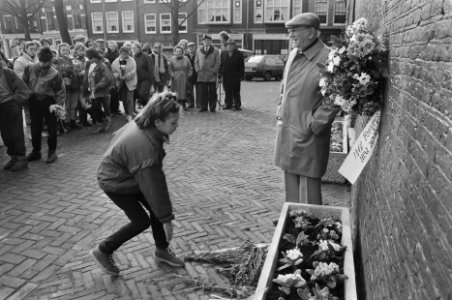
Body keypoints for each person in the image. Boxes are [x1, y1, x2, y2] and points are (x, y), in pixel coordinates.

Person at [90, 92, 184, 276]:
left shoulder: (145, 123)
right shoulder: (146, 148)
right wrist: (167, 220)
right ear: (158, 122)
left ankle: (162, 250)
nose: (177, 126)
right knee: (141, 220)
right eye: (173, 123)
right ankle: (103, 250)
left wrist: (163, 214)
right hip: (115, 181)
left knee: (155, 208)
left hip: (126, 174)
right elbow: (155, 186)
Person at [274, 13, 341, 205]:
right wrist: (280, 108)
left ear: (311, 32)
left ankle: (310, 226)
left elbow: (336, 95)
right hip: (288, 125)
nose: (291, 35)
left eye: (295, 30)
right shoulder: (295, 53)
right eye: (290, 31)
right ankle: (292, 217)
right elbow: (284, 86)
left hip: (309, 130)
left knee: (309, 180)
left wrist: (316, 122)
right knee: (290, 176)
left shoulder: (329, 57)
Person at [23, 47, 66, 163]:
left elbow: (60, 91)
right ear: (38, 58)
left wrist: (58, 106)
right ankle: (36, 151)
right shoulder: (29, 68)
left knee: (52, 128)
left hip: (49, 101)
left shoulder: (54, 73)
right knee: (35, 127)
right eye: (41, 61)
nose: (43, 64)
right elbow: (24, 84)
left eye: (46, 62)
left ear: (51, 60)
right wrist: (25, 100)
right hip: (34, 100)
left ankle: (52, 152)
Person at [0, 60, 31, 171]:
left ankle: (22, 159)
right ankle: (13, 157)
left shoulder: (7, 72)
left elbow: (23, 88)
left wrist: (16, 101)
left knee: (16, 133)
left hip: (10, 104)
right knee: (6, 134)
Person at [82, 48, 113, 133]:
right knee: (94, 108)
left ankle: (104, 120)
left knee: (96, 107)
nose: (89, 60)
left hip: (100, 91)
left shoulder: (102, 65)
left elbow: (107, 78)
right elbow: (86, 77)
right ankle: (102, 121)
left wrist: (96, 86)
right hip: (93, 91)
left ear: (95, 57)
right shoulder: (89, 65)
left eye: (90, 58)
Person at [55, 43, 81, 130]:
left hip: (74, 85)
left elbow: (78, 70)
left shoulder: (73, 59)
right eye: (63, 50)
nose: (65, 52)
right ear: (59, 51)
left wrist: (77, 69)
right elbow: (58, 73)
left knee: (74, 105)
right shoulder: (58, 61)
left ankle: (73, 121)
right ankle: (67, 122)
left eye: (67, 50)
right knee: (66, 105)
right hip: (64, 87)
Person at [195, 34, 220, 113]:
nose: (206, 42)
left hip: (211, 75)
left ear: (210, 41)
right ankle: (203, 107)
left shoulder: (215, 50)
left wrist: (214, 71)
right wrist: (198, 70)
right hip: (202, 74)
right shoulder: (198, 50)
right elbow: (196, 62)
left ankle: (212, 107)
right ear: (202, 42)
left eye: (208, 41)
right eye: (204, 41)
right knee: (203, 92)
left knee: (212, 92)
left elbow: (218, 62)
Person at [112, 46, 137, 122]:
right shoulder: (115, 62)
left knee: (129, 99)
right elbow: (113, 72)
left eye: (125, 54)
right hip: (121, 83)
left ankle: (129, 114)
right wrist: (118, 76)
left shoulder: (132, 60)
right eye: (122, 54)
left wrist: (126, 76)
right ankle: (127, 112)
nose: (124, 56)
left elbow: (133, 71)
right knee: (124, 99)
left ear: (128, 53)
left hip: (130, 82)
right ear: (120, 53)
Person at [219, 39, 244, 111]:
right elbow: (221, 64)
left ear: (234, 46)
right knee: (227, 91)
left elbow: (242, 66)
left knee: (236, 91)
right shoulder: (223, 53)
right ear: (226, 46)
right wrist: (220, 73)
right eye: (228, 45)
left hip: (235, 76)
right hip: (226, 76)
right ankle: (228, 104)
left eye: (231, 45)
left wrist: (241, 76)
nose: (230, 46)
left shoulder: (239, 54)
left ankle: (237, 105)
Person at [168, 45, 193, 111]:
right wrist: (172, 75)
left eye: (180, 51)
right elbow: (170, 69)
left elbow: (190, 68)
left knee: (184, 91)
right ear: (175, 52)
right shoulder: (172, 59)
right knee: (175, 92)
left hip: (184, 77)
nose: (178, 52)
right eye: (177, 51)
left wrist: (189, 75)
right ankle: (175, 106)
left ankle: (184, 105)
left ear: (182, 52)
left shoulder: (186, 58)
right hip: (175, 78)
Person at [133, 42, 155, 108]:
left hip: (146, 79)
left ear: (139, 48)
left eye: (135, 48)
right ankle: (146, 108)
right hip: (137, 79)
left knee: (143, 94)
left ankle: (151, 106)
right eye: (133, 48)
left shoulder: (145, 56)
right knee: (140, 95)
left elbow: (150, 67)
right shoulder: (133, 57)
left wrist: (151, 77)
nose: (133, 49)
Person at [105, 40, 121, 116]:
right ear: (108, 46)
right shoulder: (106, 55)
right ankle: (112, 110)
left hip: (117, 75)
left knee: (117, 93)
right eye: (111, 45)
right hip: (110, 75)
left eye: (114, 45)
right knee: (112, 93)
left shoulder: (118, 53)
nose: (112, 46)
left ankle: (116, 109)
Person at [185, 42, 197, 108]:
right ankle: (191, 104)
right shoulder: (186, 56)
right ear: (188, 48)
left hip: (197, 75)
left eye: (192, 46)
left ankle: (199, 104)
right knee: (190, 91)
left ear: (195, 47)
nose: (191, 48)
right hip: (189, 76)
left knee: (199, 91)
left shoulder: (198, 54)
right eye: (189, 47)